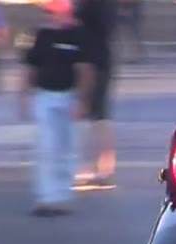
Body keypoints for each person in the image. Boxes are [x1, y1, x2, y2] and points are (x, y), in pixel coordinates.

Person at [21, 0, 94, 216]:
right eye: (50, 13)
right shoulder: (42, 35)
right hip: (45, 96)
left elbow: (86, 70)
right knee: (47, 148)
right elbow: (31, 67)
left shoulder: (78, 35)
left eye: (56, 13)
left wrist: (82, 100)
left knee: (68, 149)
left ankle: (62, 196)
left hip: (69, 96)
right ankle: (46, 198)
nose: (52, 17)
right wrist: (24, 95)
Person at [73, 0, 116, 188]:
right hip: (101, 58)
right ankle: (102, 167)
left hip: (91, 59)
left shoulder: (91, 6)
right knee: (99, 116)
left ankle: (100, 168)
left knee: (95, 115)